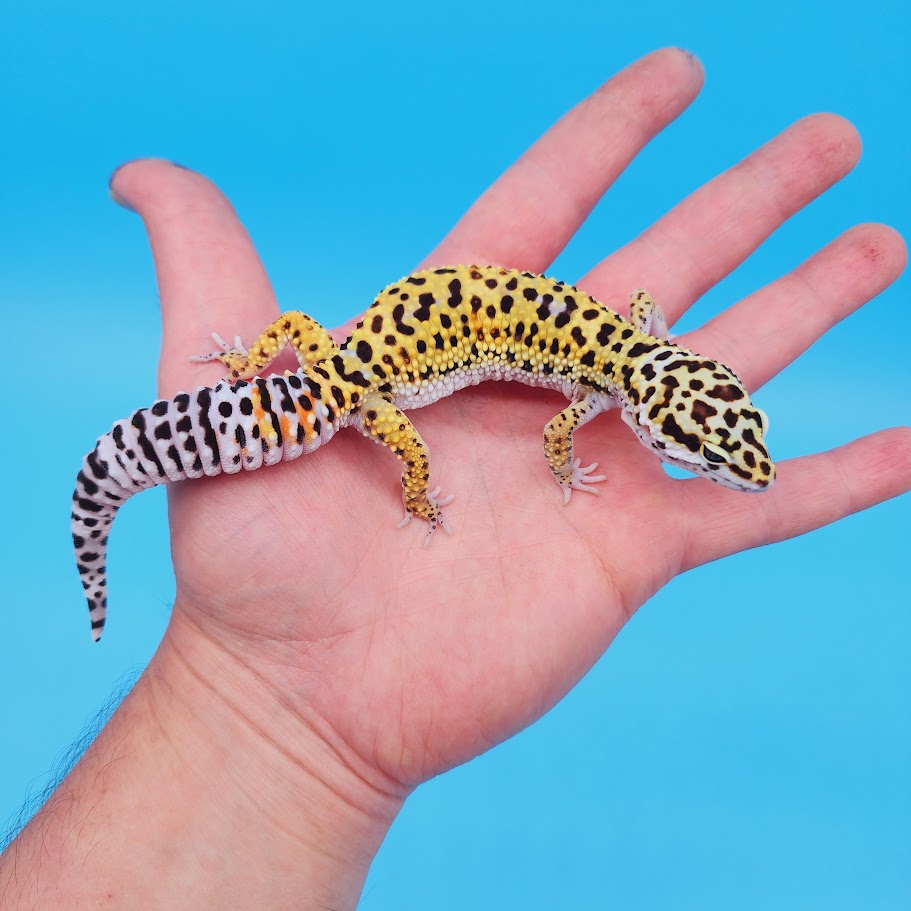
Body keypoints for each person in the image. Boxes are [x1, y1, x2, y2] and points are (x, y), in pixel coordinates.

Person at [1, 48, 908, 908]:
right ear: (648, 407)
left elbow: (633, 316)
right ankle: (377, 484)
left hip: (336, 352)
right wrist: (442, 491)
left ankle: (235, 389)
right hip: (367, 387)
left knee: (301, 338)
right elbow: (557, 438)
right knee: (410, 455)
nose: (724, 465)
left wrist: (255, 366)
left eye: (727, 440)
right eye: (712, 450)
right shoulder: (592, 393)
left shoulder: (634, 343)